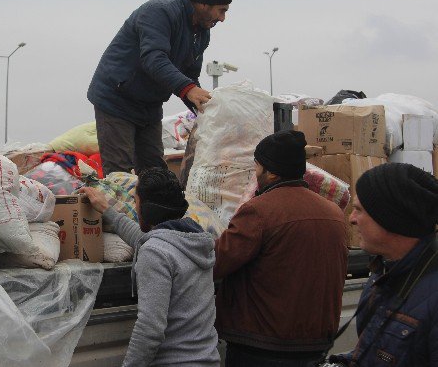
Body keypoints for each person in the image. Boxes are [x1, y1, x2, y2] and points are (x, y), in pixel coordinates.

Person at [213, 130, 348, 366]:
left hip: (263, 345)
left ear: (272, 172)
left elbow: (217, 262)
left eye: (257, 167)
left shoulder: (258, 211)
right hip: (315, 345)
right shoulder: (334, 213)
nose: (256, 174)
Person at [87, 0, 232, 176]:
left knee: (154, 172)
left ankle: (149, 207)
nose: (223, 18)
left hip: (149, 105)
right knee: (120, 175)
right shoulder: (160, 12)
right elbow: (154, 58)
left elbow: (189, 75)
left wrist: (204, 107)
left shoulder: (201, 31)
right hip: (117, 99)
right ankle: (119, 208)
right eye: (221, 10)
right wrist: (189, 89)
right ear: (204, 4)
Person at [80, 168, 220, 366]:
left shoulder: (155, 253)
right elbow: (143, 239)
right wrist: (107, 210)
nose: (135, 208)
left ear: (147, 208)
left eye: (135, 201)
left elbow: (150, 328)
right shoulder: (194, 241)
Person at [328, 163, 438, 367]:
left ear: (390, 218)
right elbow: (374, 349)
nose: (351, 219)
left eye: (359, 210)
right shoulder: (383, 273)